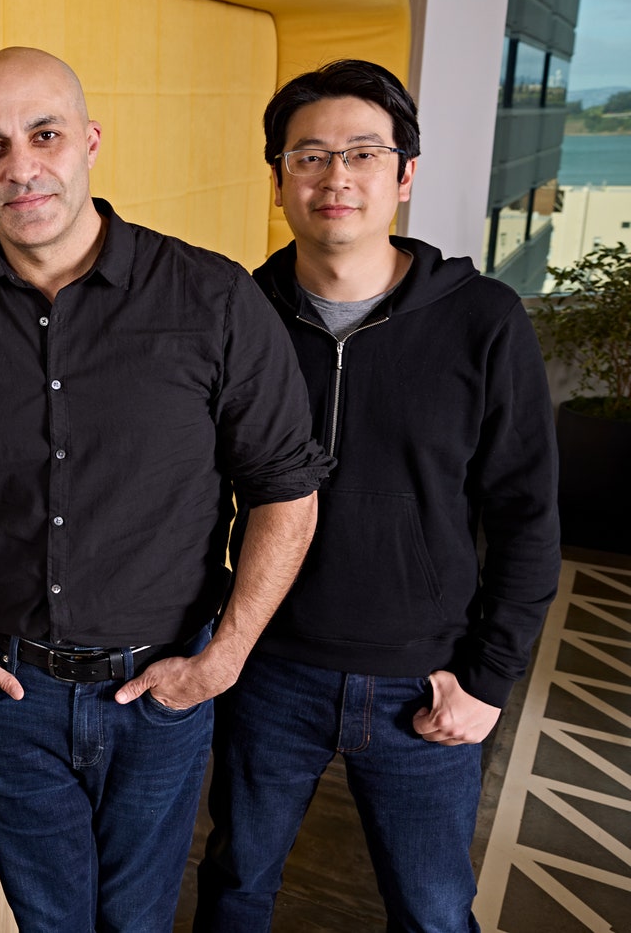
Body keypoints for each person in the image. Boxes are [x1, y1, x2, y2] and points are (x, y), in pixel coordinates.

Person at [0, 46, 333, 933]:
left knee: (136, 923)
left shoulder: (213, 299)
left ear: (89, 139)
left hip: (161, 690)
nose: (21, 167)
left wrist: (223, 659)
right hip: (10, 697)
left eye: (44, 134)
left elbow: (286, 490)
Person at [194, 59, 561, 932]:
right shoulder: (237, 314)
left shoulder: (484, 319)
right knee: (235, 884)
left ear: (404, 174)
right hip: (268, 669)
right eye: (310, 156)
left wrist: (489, 679)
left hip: (425, 680)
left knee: (433, 910)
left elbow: (528, 517)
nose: (336, 177)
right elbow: (193, 491)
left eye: (362, 152)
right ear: (279, 178)